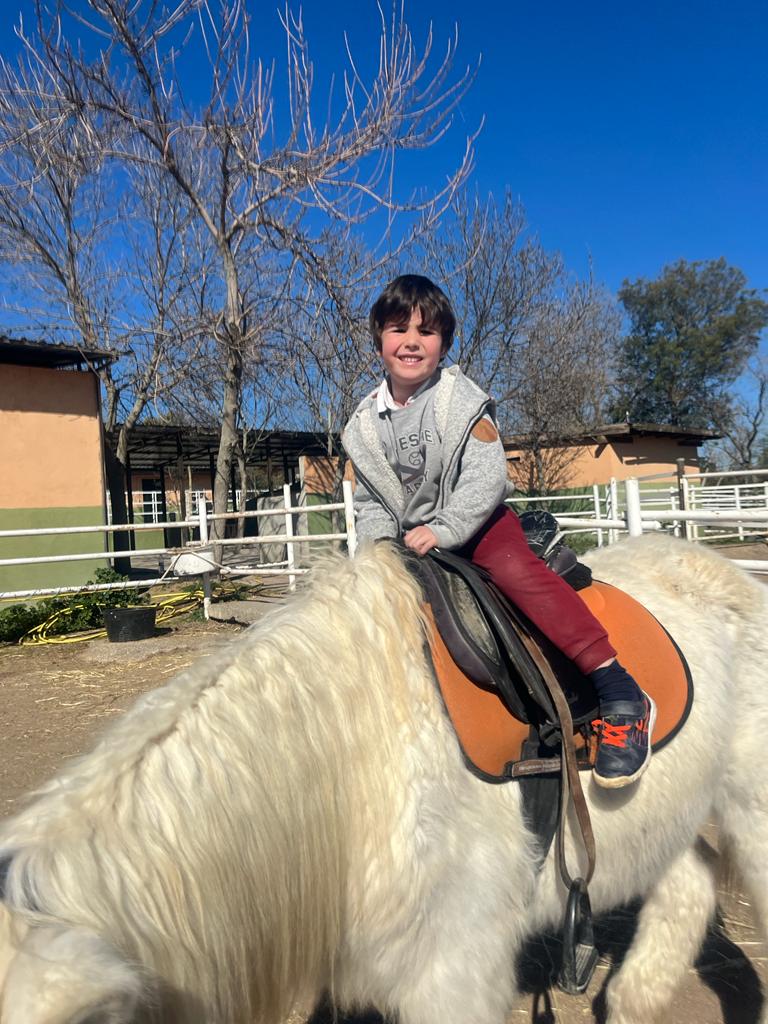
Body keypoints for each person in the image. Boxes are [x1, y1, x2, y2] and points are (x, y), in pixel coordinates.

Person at [342, 273, 656, 789]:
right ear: (379, 339)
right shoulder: (363, 425)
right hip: (410, 543)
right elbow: (372, 501)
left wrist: (445, 527)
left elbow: (487, 477)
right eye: (399, 329)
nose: (412, 341)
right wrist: (377, 552)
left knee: (514, 572)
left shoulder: (460, 402)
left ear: (444, 343)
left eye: (427, 331)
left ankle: (616, 684)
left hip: (477, 525)